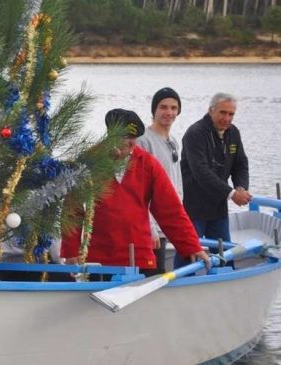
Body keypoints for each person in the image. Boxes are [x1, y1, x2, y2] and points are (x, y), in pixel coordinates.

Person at [61, 108, 209, 278]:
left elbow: (170, 209)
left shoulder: (148, 164)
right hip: (99, 258)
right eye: (121, 136)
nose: (126, 142)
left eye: (131, 138)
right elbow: (72, 210)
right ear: (110, 134)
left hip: (139, 255)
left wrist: (192, 246)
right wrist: (71, 251)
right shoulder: (89, 161)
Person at [180, 93, 251, 266]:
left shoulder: (233, 133)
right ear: (211, 111)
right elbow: (201, 172)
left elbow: (240, 164)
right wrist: (232, 193)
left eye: (231, 114)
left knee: (225, 256)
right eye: (222, 112)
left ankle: (226, 284)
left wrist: (241, 187)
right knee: (187, 255)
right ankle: (180, 286)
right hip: (193, 207)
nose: (226, 118)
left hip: (218, 208)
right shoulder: (194, 133)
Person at [137, 87, 183, 273]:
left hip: (167, 223)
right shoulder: (143, 141)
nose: (169, 112)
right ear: (154, 110)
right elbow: (139, 189)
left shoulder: (173, 141)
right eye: (163, 107)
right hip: (151, 226)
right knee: (150, 277)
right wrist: (149, 226)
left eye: (173, 108)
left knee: (161, 275)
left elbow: (176, 182)